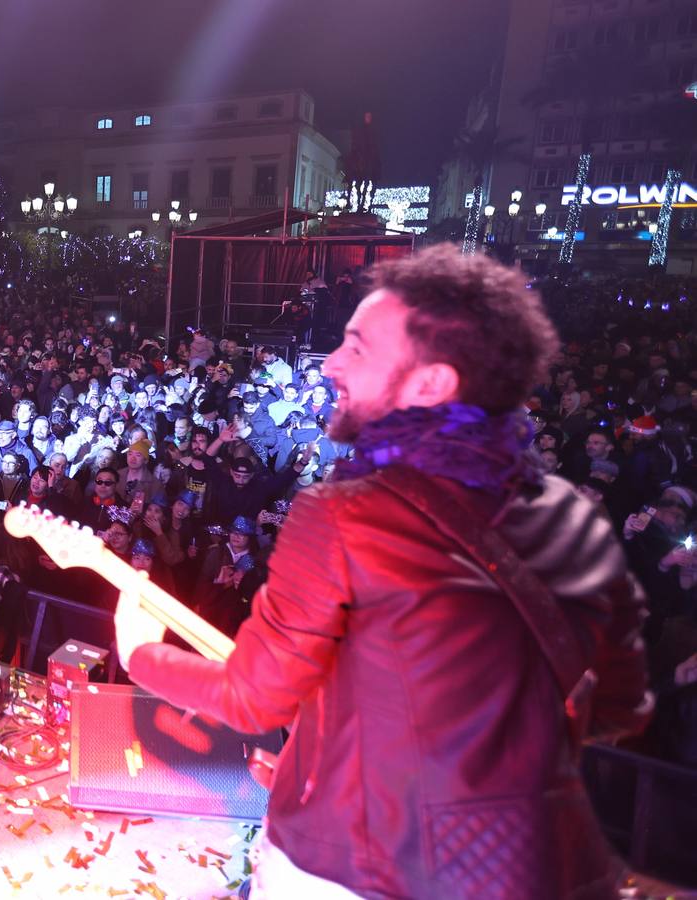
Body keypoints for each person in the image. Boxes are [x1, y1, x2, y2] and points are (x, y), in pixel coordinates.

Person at [115, 245, 652, 898]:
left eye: (359, 349)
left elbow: (253, 697)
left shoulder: (341, 514)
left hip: (346, 864)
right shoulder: (568, 512)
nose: (331, 362)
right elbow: (619, 706)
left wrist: (139, 652)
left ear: (430, 383)